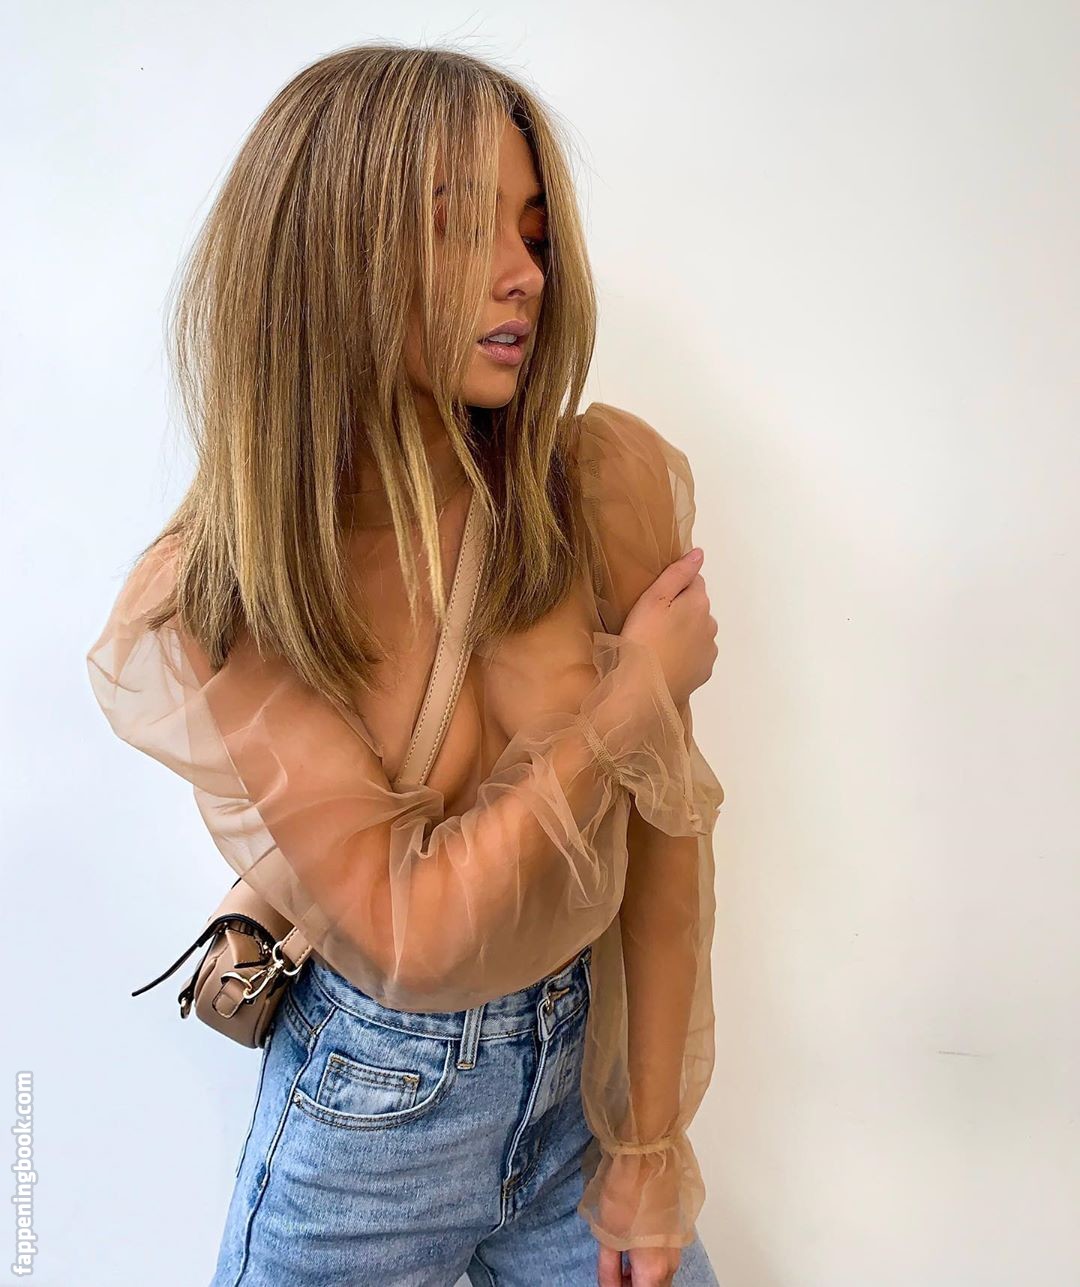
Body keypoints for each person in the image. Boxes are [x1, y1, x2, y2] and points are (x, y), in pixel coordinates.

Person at [86, 43, 725, 1287]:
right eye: (459, 227)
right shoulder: (244, 582)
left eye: (532, 230)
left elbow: (667, 844)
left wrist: (651, 1148)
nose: (522, 272)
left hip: (574, 1096)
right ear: (328, 257)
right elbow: (411, 932)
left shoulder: (597, 488)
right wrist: (635, 697)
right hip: (367, 1128)